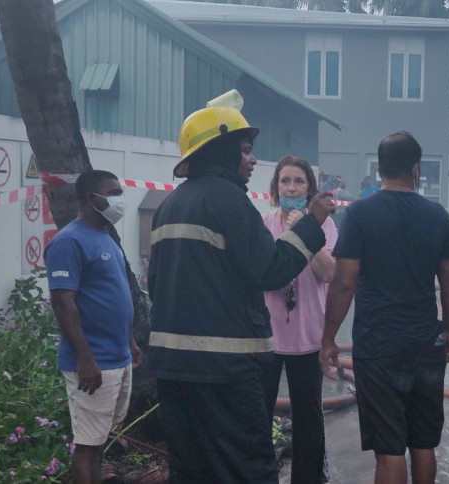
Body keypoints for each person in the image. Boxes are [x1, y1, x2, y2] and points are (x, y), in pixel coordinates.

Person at [148, 91, 336, 483]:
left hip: (173, 369)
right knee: (245, 468)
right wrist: (311, 223)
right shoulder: (230, 202)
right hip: (225, 371)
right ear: (221, 151)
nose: (252, 160)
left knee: (193, 469)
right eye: (246, 150)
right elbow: (271, 270)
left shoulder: (169, 205)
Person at [320, 131, 449, 484]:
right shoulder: (438, 216)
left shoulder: (360, 213)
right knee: (423, 443)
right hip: (426, 343)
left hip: (379, 345)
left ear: (380, 169)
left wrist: (329, 338)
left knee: (390, 449)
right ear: (416, 169)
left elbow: (344, 282)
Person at [45, 170, 141, 484]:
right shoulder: (68, 241)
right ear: (91, 198)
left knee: (99, 440)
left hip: (118, 357)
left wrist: (130, 341)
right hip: (93, 362)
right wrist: (84, 358)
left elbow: (114, 295)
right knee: (87, 444)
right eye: (113, 193)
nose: (120, 200)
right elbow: (63, 303)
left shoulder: (106, 236)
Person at [262, 156, 338, 484]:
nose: (291, 188)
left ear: (309, 190)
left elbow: (328, 273)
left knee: (308, 418)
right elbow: (260, 273)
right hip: (267, 337)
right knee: (259, 414)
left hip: (308, 337)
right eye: (285, 181)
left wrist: (303, 231)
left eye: (298, 181)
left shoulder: (324, 225)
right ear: (276, 188)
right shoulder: (263, 224)